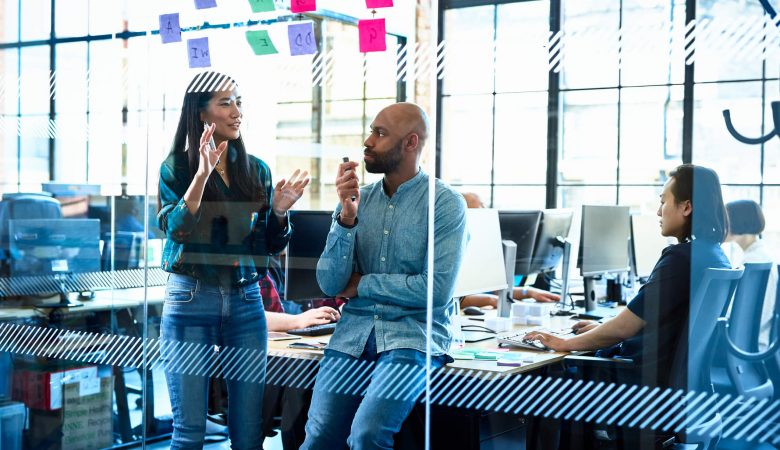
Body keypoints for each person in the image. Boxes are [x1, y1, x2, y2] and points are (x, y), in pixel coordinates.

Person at [300, 102, 468, 450]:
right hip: (352, 335)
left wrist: (363, 284)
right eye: (371, 130)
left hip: (412, 336)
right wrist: (346, 219)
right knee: (318, 438)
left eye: (379, 134)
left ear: (409, 143)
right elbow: (331, 284)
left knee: (367, 435)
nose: (367, 141)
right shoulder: (358, 199)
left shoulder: (445, 203)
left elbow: (435, 290)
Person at [157, 71, 309, 450]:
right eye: (226, 103)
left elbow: (266, 248)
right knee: (189, 432)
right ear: (201, 113)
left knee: (247, 432)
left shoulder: (255, 169)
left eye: (239, 101)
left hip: (245, 301)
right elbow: (176, 229)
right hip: (192, 297)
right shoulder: (176, 168)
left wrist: (277, 212)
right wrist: (202, 175)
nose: (237, 111)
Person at [526, 164, 731, 390]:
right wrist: (601, 328)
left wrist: (564, 342)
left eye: (663, 201)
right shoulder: (715, 256)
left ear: (686, 207)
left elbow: (625, 328)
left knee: (547, 374)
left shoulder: (680, 259)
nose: (658, 211)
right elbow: (662, 325)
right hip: (680, 389)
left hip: (641, 387)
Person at [458, 191, 560, 309]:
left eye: (484, 205)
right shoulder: (457, 249)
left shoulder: (481, 247)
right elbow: (454, 297)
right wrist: (492, 300)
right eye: (480, 206)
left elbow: (495, 289)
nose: (486, 209)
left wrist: (528, 292)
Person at [725, 200, 777, 349]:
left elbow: (741, 314)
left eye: (725, 219)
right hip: (750, 340)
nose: (721, 224)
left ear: (740, 221)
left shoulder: (754, 261)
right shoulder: (760, 255)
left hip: (744, 344)